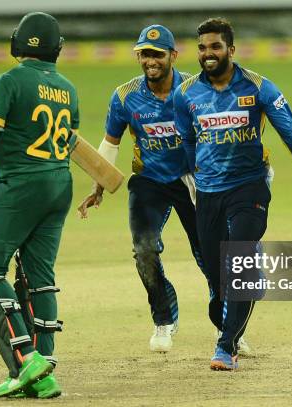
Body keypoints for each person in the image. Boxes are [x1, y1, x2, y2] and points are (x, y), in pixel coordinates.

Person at [173, 17, 292, 371]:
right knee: (220, 281)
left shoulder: (259, 88)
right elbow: (187, 138)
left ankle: (226, 346)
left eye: (216, 46)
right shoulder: (185, 93)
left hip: (250, 187)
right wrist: (195, 171)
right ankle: (242, 298)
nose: (208, 53)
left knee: (239, 261)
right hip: (208, 193)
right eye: (202, 47)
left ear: (231, 50)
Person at [0, 12, 77, 397]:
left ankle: (26, 360)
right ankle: (45, 371)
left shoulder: (8, 81)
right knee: (40, 278)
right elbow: (68, 139)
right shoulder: (68, 88)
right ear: (57, 47)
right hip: (60, 184)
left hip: (20, 186)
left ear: (17, 43)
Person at [78, 25, 218, 353]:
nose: (150, 61)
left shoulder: (197, 89)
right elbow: (110, 143)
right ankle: (163, 320)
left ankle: (227, 326)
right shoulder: (126, 95)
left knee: (209, 254)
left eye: (157, 54)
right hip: (149, 181)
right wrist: (99, 184)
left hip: (192, 180)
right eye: (144, 54)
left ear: (173, 56)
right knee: (143, 249)